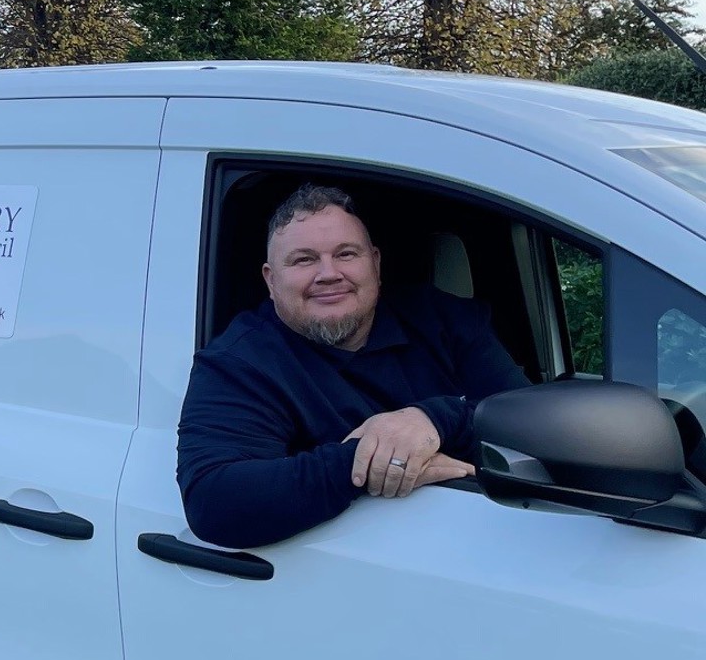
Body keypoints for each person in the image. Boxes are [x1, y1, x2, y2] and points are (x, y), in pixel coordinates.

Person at [176, 183, 530, 549]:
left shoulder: (447, 322)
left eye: (346, 254)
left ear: (375, 263)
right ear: (271, 279)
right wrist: (367, 460)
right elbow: (214, 503)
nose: (328, 273)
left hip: (491, 543)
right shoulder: (240, 362)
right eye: (304, 260)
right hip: (335, 569)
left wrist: (435, 421)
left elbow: (530, 424)